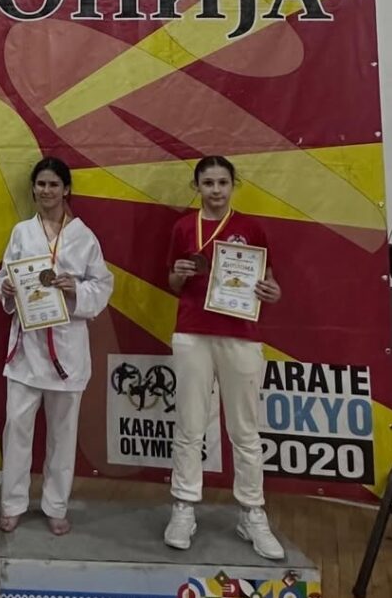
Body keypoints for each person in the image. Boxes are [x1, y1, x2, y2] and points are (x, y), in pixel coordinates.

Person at [164, 156, 284, 559]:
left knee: (245, 430)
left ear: (233, 185)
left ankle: (252, 513)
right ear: (196, 186)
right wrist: (180, 273)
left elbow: (268, 281)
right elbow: (174, 282)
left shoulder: (252, 228)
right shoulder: (184, 227)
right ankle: (184, 506)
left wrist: (273, 292)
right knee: (189, 425)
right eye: (208, 183)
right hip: (192, 333)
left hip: (241, 336)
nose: (215, 190)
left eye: (222, 182)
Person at [0, 157, 114, 535]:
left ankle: (55, 505)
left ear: (66, 190)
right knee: (17, 428)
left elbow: (103, 285)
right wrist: (6, 287)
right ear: (33, 189)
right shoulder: (21, 232)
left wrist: (75, 288)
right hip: (27, 347)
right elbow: (4, 276)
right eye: (41, 184)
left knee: (63, 434)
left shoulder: (84, 237)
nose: (46, 191)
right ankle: (12, 502)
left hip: (67, 346)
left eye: (53, 185)